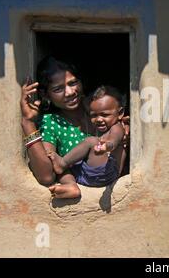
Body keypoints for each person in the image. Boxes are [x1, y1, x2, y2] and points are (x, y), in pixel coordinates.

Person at [20, 56, 129, 198]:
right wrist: (28, 123)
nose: (70, 92)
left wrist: (125, 129)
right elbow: (46, 176)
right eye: (58, 89)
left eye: (73, 83)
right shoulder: (51, 123)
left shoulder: (98, 105)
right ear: (45, 94)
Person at [47, 86, 126, 190]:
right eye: (94, 115)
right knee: (67, 169)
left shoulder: (117, 128)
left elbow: (113, 141)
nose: (98, 119)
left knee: (91, 141)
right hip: (89, 172)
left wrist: (107, 146)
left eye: (104, 115)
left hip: (107, 173)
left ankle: (62, 163)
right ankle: (70, 186)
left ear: (120, 113)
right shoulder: (99, 128)